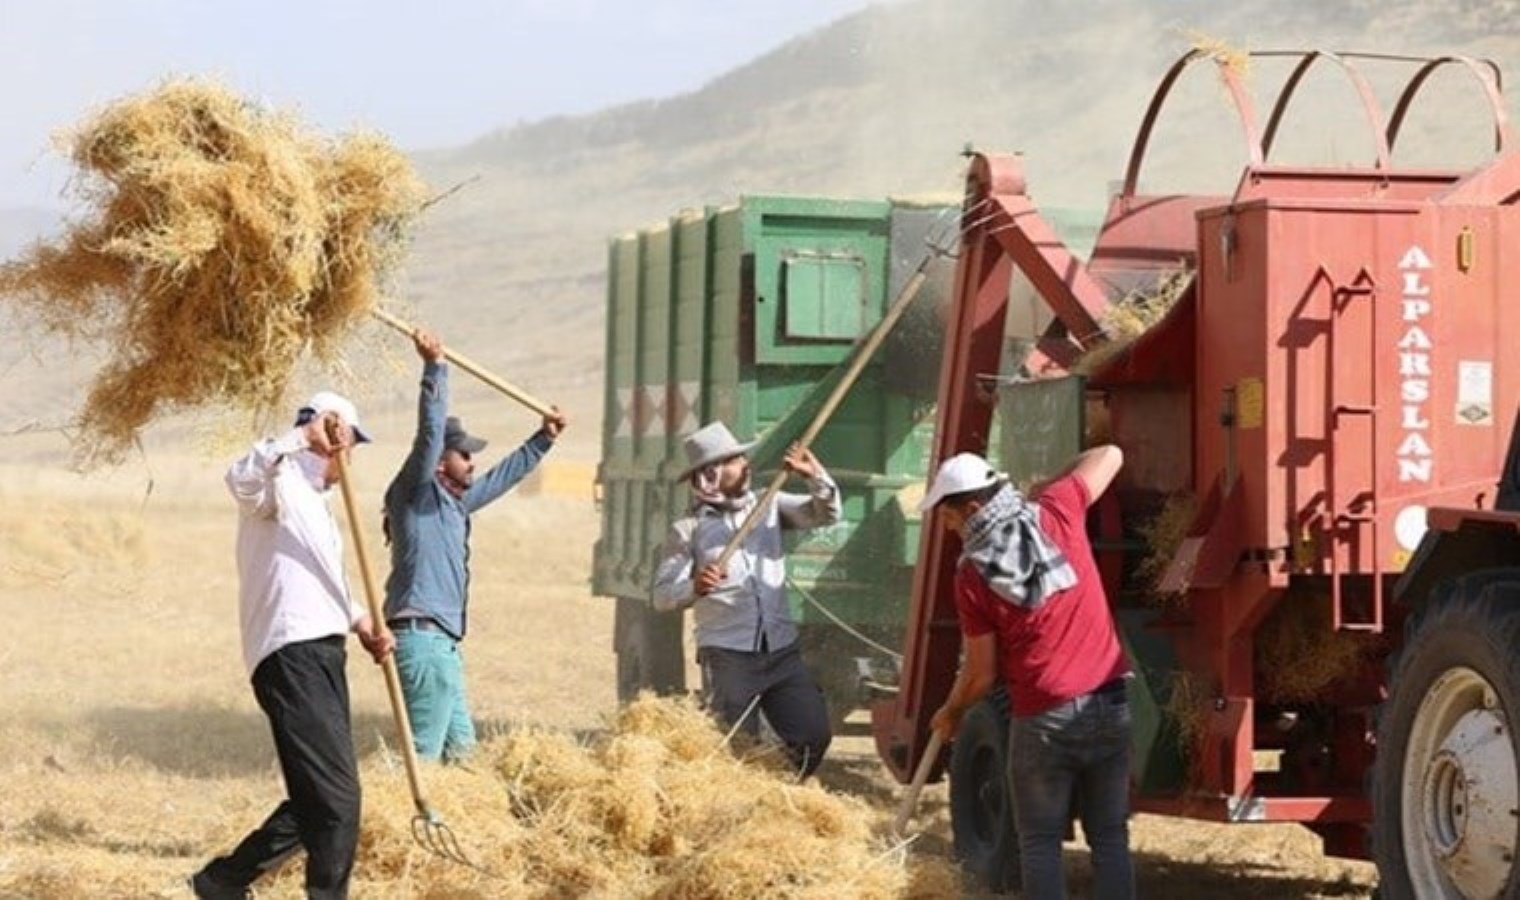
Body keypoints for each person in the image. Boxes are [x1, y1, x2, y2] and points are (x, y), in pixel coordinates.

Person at [192, 392, 395, 900]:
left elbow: (321, 581)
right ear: (327, 440)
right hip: (290, 652)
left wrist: (361, 620)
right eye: (347, 444)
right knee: (338, 798)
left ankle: (221, 883)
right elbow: (238, 478)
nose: (350, 458)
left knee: (319, 795)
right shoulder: (277, 483)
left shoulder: (320, 507)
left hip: (323, 651)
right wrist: (300, 437)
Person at [924, 447, 1134, 900]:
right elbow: (1111, 454)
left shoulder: (971, 575)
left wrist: (952, 711)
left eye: (949, 515)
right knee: (1111, 838)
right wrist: (1051, 482)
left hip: (1043, 717)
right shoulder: (1057, 509)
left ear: (974, 508)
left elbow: (982, 674)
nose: (947, 526)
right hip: (1109, 700)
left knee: (1038, 842)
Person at [382, 327, 567, 763]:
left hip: (444, 644)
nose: (472, 460)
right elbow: (428, 434)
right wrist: (435, 368)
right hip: (421, 640)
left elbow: (504, 477)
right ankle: (392, 826)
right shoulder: (414, 494)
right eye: (464, 453)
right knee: (423, 757)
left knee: (463, 753)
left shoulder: (455, 505)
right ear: (441, 460)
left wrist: (544, 438)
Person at [651, 421, 841, 779]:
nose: (746, 465)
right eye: (736, 461)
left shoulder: (768, 505)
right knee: (736, 749)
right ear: (711, 474)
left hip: (782, 650)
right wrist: (694, 586)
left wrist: (814, 477)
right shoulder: (687, 529)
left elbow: (827, 514)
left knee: (813, 735)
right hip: (728, 657)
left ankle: (782, 791)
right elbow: (662, 595)